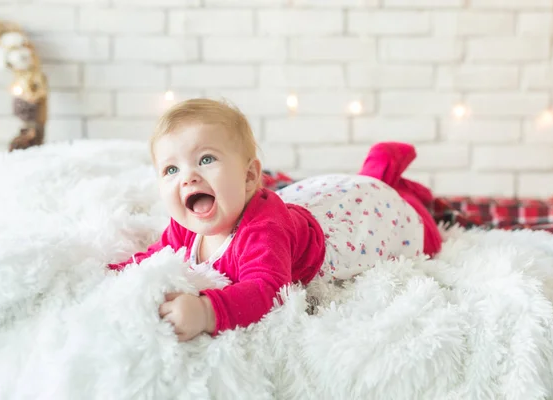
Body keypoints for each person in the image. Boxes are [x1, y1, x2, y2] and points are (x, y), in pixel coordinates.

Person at [108, 98, 441, 342]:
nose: (188, 178)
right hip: (303, 206)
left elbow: (268, 291)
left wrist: (207, 312)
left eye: (205, 159)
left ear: (250, 176)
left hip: (349, 219)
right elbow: (157, 255)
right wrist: (118, 272)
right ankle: (379, 169)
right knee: (353, 187)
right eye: (171, 169)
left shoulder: (263, 232)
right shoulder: (186, 224)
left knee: (411, 222)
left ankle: (389, 173)